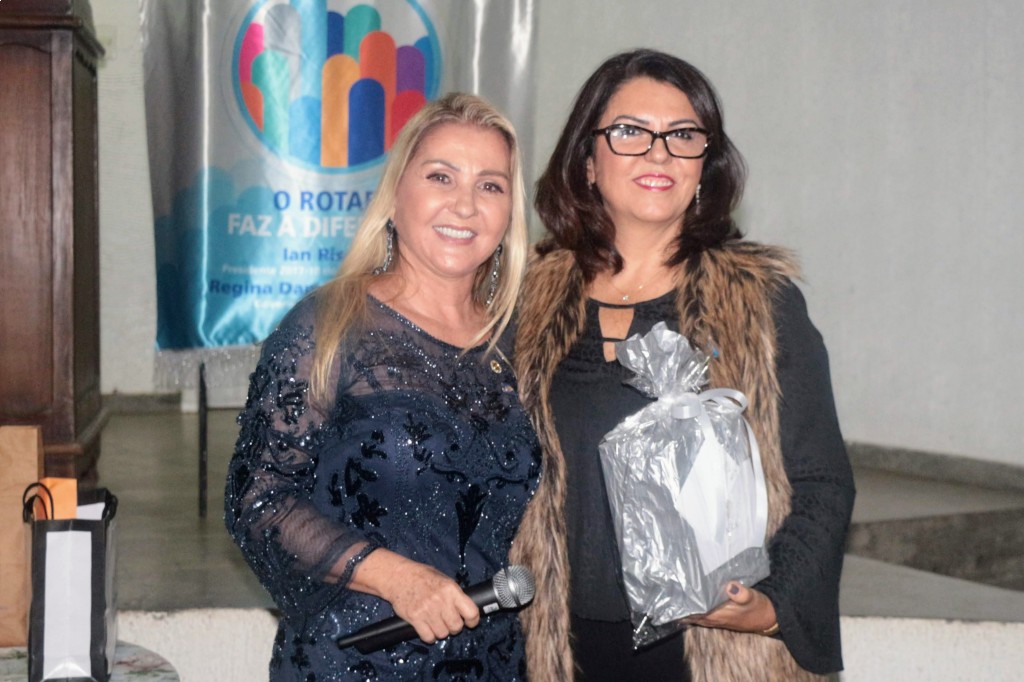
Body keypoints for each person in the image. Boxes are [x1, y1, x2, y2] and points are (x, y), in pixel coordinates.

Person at [508, 49, 856, 682]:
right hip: (550, 647)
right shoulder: (524, 299)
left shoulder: (759, 303)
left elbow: (822, 483)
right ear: (587, 161)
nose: (659, 153)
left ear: (705, 166)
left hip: (712, 649)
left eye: (683, 135)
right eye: (631, 132)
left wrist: (772, 607)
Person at [224, 93, 540, 680]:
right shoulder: (329, 324)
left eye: (490, 186)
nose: (465, 204)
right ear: (396, 196)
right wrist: (395, 577)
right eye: (441, 176)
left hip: (494, 662)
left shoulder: (523, 342)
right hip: (356, 658)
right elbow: (258, 499)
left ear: (508, 215)